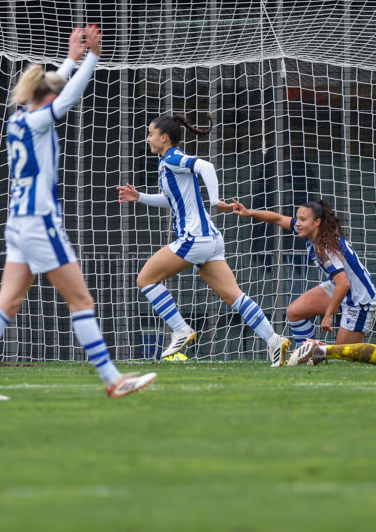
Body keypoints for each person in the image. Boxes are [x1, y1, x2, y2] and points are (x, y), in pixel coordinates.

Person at [0, 25, 157, 400]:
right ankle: (113, 380)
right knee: (81, 301)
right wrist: (93, 58)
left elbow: (54, 87)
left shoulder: (18, 119)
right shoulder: (39, 119)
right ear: (46, 97)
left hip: (17, 223)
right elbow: (66, 97)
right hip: (39, 223)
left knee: (9, 300)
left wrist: (71, 58)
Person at [116, 114, 290, 366]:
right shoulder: (166, 163)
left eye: (150, 134)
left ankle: (180, 330)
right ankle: (274, 340)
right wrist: (139, 196)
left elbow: (205, 167)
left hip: (194, 237)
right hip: (210, 239)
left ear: (164, 138)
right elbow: (171, 200)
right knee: (234, 297)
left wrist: (215, 200)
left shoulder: (173, 157)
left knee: (145, 279)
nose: (147, 139)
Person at [227, 199, 376, 346]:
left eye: (303, 219)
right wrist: (249, 212)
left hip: (359, 300)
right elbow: (277, 219)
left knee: (343, 357)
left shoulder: (326, 248)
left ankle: (318, 352)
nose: (297, 223)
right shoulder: (313, 232)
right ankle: (310, 355)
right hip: (340, 288)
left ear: (317, 222)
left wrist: (328, 314)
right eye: (297, 218)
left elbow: (344, 283)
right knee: (294, 312)